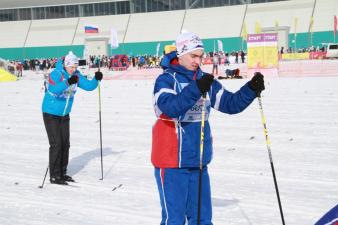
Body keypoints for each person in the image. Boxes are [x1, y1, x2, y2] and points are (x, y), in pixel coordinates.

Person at [151, 31, 265, 224]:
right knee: (175, 220)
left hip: (198, 160)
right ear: (181, 53)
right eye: (193, 56)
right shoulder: (166, 80)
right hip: (172, 162)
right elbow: (170, 108)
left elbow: (230, 104)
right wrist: (196, 89)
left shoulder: (204, 80)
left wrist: (250, 90)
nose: (198, 60)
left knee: (202, 219)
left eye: (201, 56)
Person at [42, 51, 103, 185]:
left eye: (75, 67)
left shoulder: (76, 75)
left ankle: (62, 173)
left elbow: (88, 86)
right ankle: (54, 175)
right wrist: (67, 82)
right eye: (71, 67)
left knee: (65, 143)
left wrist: (96, 79)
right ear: (65, 65)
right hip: (51, 113)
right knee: (56, 143)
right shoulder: (56, 74)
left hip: (64, 114)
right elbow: (53, 89)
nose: (74, 69)